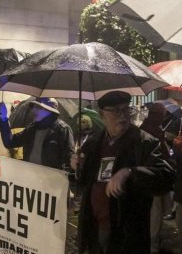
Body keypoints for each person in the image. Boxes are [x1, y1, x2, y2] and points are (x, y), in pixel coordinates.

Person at [70, 91, 175, 253]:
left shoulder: (145, 142)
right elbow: (83, 182)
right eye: (116, 111)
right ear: (102, 114)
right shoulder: (93, 143)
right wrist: (77, 166)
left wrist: (131, 172)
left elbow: (165, 177)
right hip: (94, 224)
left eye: (126, 109)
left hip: (126, 231)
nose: (123, 115)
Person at [0, 97, 74, 170]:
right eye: (34, 107)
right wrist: (3, 120)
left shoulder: (63, 130)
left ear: (49, 111)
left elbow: (69, 161)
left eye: (38, 108)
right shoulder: (32, 129)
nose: (34, 110)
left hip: (50, 181)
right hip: (31, 178)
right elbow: (10, 142)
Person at [139, 102, 174, 252]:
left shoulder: (146, 128)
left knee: (154, 213)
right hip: (151, 179)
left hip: (150, 177)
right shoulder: (151, 131)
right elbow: (162, 154)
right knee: (154, 213)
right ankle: (152, 245)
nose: (163, 117)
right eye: (162, 115)